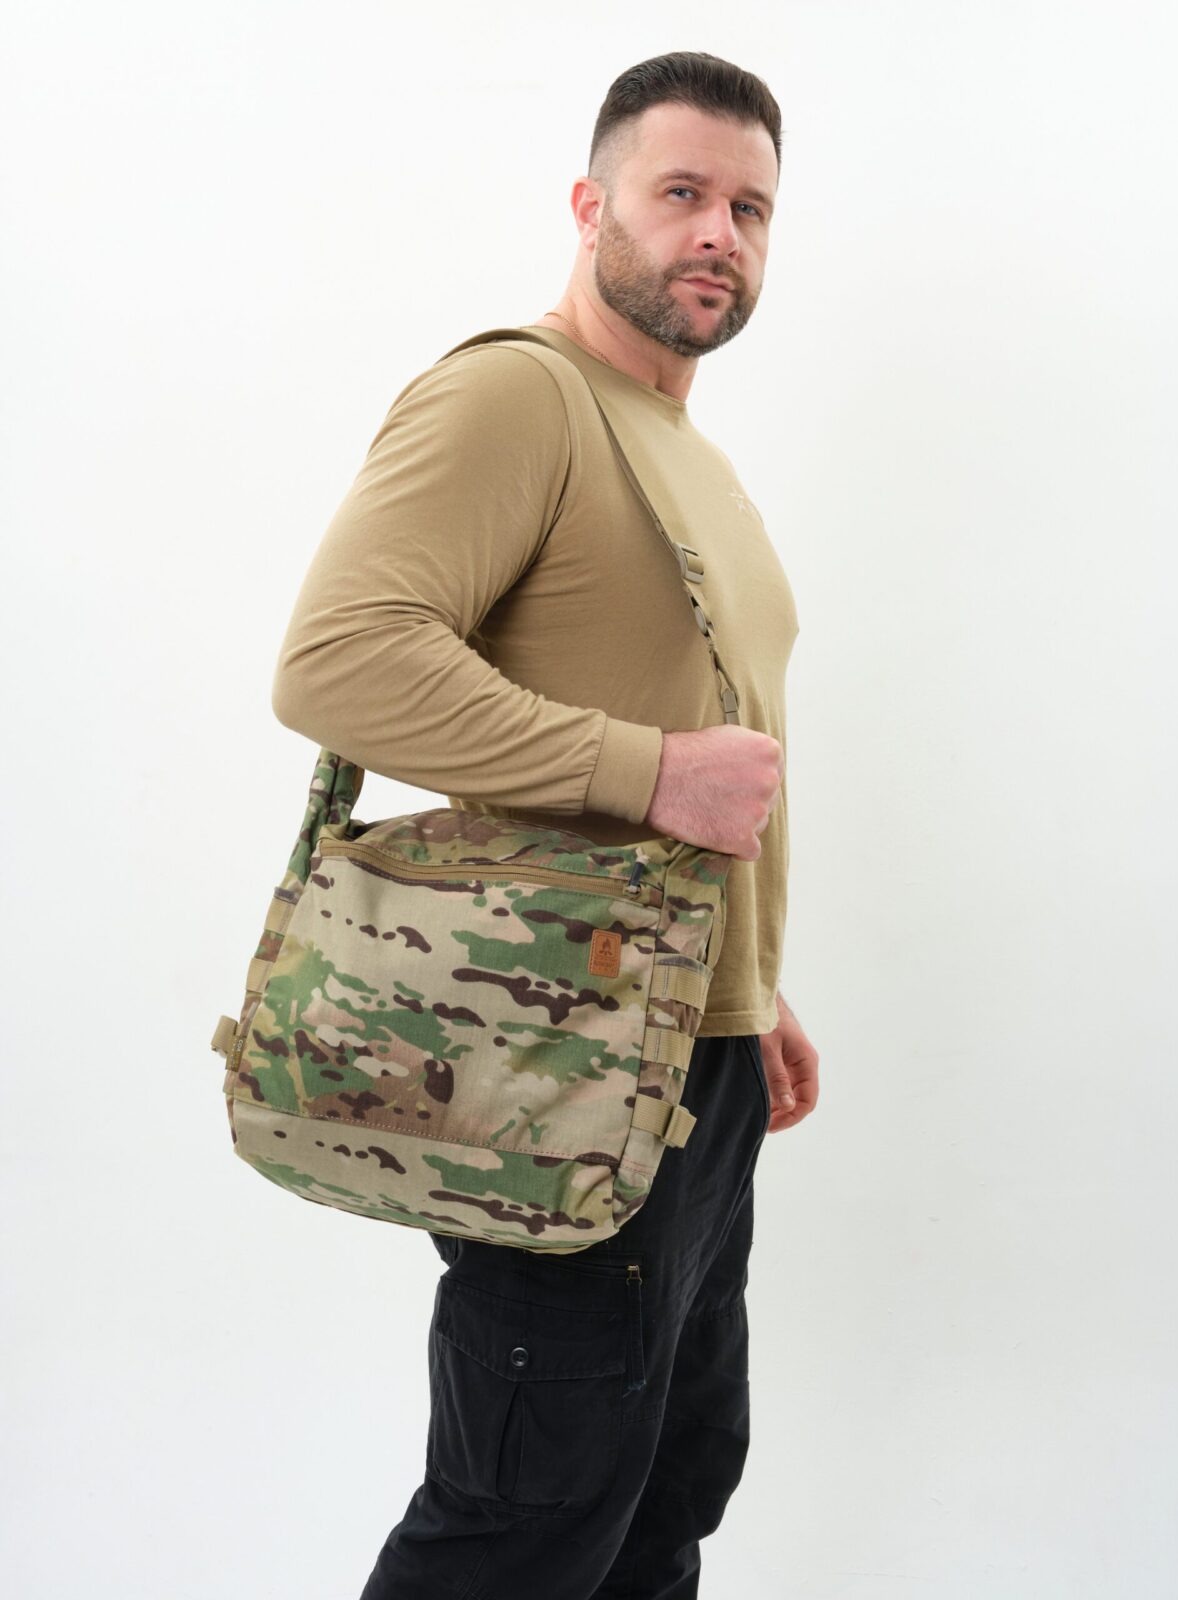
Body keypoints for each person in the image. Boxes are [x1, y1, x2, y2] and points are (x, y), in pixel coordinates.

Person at [271, 48, 821, 1600]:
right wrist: (649, 772)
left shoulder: (686, 451)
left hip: (693, 1048)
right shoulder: (518, 394)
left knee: (666, 1495)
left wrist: (749, 984)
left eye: (751, 209)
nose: (717, 232)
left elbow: (698, 734)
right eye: (681, 193)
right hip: (561, 1062)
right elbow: (336, 661)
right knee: (523, 1522)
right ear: (591, 207)